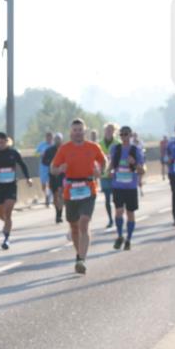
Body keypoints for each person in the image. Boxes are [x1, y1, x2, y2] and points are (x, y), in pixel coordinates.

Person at [50, 118, 107, 275]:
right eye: (75, 130)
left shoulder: (93, 147)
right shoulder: (64, 149)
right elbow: (52, 169)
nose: (77, 133)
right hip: (71, 191)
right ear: (71, 132)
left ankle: (81, 259)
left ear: (84, 131)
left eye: (80, 130)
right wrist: (59, 169)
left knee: (84, 223)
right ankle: (79, 254)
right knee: (74, 227)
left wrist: (100, 171)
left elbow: (103, 161)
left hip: (88, 188)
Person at [0, 131, 32, 249]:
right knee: (1, 215)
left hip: (11, 186)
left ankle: (6, 238)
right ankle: (6, 224)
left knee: (8, 211)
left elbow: (23, 165)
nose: (0, 144)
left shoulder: (13, 153)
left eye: (2, 142)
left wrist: (28, 178)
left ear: (7, 141)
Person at [109, 125, 146, 250]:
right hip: (118, 185)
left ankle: (129, 239)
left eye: (126, 134)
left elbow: (142, 171)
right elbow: (111, 165)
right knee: (119, 211)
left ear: (130, 135)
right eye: (122, 134)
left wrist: (134, 163)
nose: (124, 137)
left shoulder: (136, 150)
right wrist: (108, 172)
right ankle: (120, 236)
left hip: (130, 187)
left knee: (130, 213)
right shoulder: (115, 149)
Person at [98, 123, 119, 228]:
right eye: (107, 130)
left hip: (115, 175)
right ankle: (110, 219)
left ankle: (118, 217)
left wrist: (114, 170)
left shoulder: (117, 143)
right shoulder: (99, 144)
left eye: (110, 130)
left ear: (114, 131)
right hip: (104, 175)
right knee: (107, 199)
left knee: (116, 199)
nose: (108, 132)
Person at [42, 133, 65, 223]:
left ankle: (60, 214)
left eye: (59, 139)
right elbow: (44, 161)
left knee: (60, 194)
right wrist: (51, 163)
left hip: (62, 175)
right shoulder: (49, 150)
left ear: (62, 140)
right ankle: (57, 212)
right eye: (56, 139)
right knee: (55, 195)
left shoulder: (65, 149)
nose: (57, 141)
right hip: (52, 175)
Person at [36, 131, 55, 205]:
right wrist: (41, 154)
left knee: (50, 182)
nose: (49, 139)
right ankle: (46, 194)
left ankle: (48, 197)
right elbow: (35, 154)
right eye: (47, 137)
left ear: (52, 138)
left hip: (52, 166)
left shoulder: (54, 145)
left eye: (50, 137)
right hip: (43, 166)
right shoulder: (42, 145)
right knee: (43, 184)